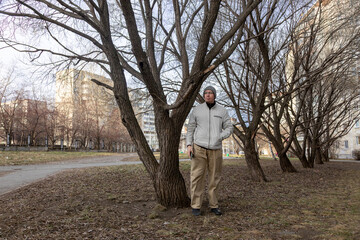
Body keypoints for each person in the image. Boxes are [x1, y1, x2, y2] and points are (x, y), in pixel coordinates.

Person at [186, 86, 233, 216]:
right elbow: (190, 129)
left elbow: (229, 127)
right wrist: (189, 145)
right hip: (198, 148)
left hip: (215, 150)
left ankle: (214, 205)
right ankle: (196, 206)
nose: (208, 95)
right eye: (206, 93)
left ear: (214, 95)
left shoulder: (222, 111)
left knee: (214, 178)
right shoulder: (197, 110)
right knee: (196, 177)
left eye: (210, 93)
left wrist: (220, 136)